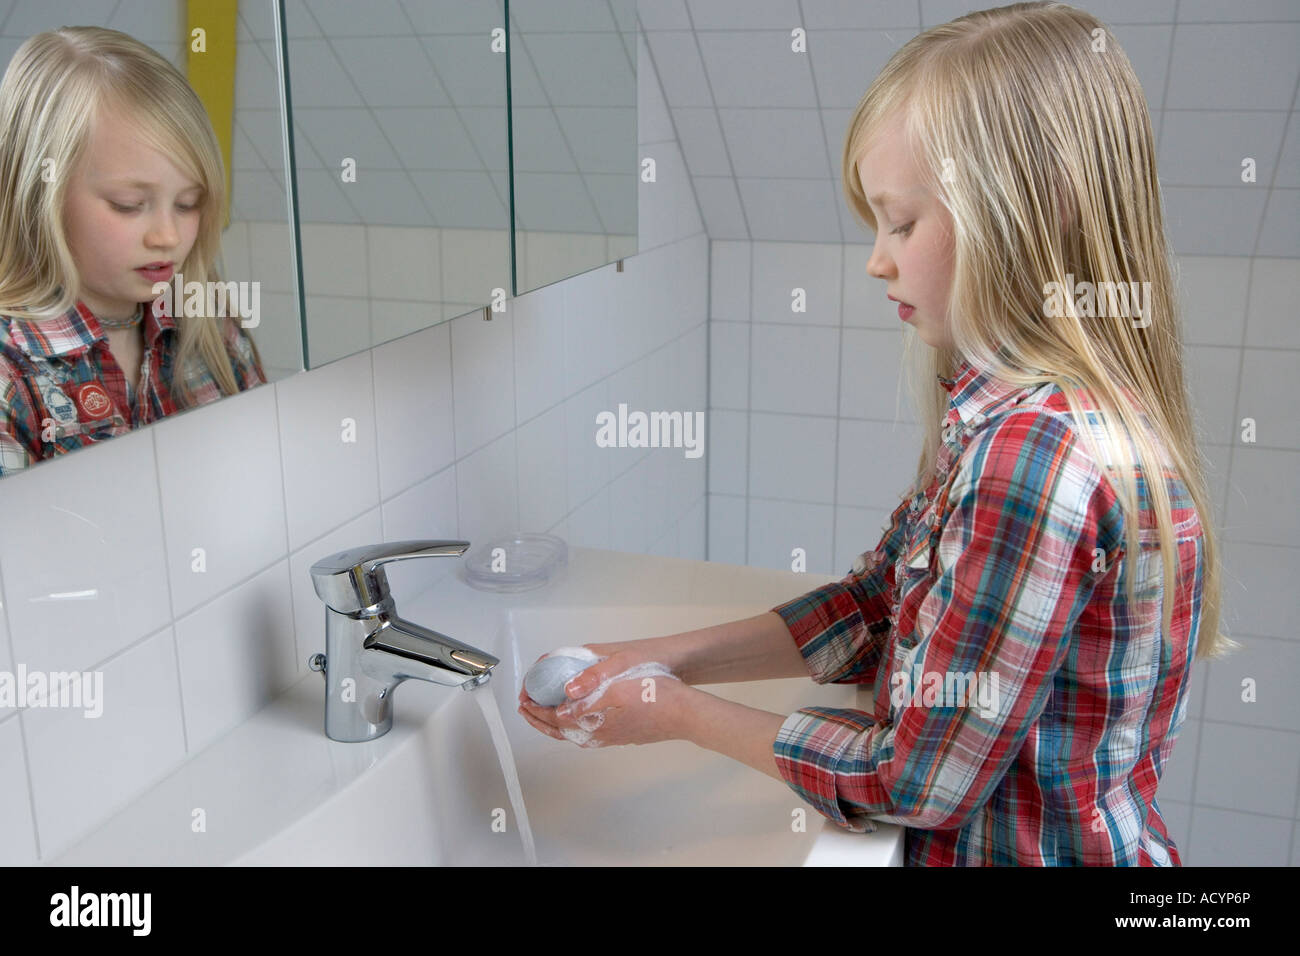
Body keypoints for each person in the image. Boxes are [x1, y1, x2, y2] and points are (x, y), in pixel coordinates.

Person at [518, 1, 1236, 866]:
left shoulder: (1036, 458)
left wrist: (670, 714)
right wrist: (659, 659)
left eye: (901, 223)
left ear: (1021, 216)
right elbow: (875, 604)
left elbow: (913, 784)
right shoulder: (1006, 414)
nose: (877, 260)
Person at [0, 26, 265, 476]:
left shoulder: (205, 323)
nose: (167, 236)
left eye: (188, 203)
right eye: (129, 205)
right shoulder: (11, 377)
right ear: (39, 197)